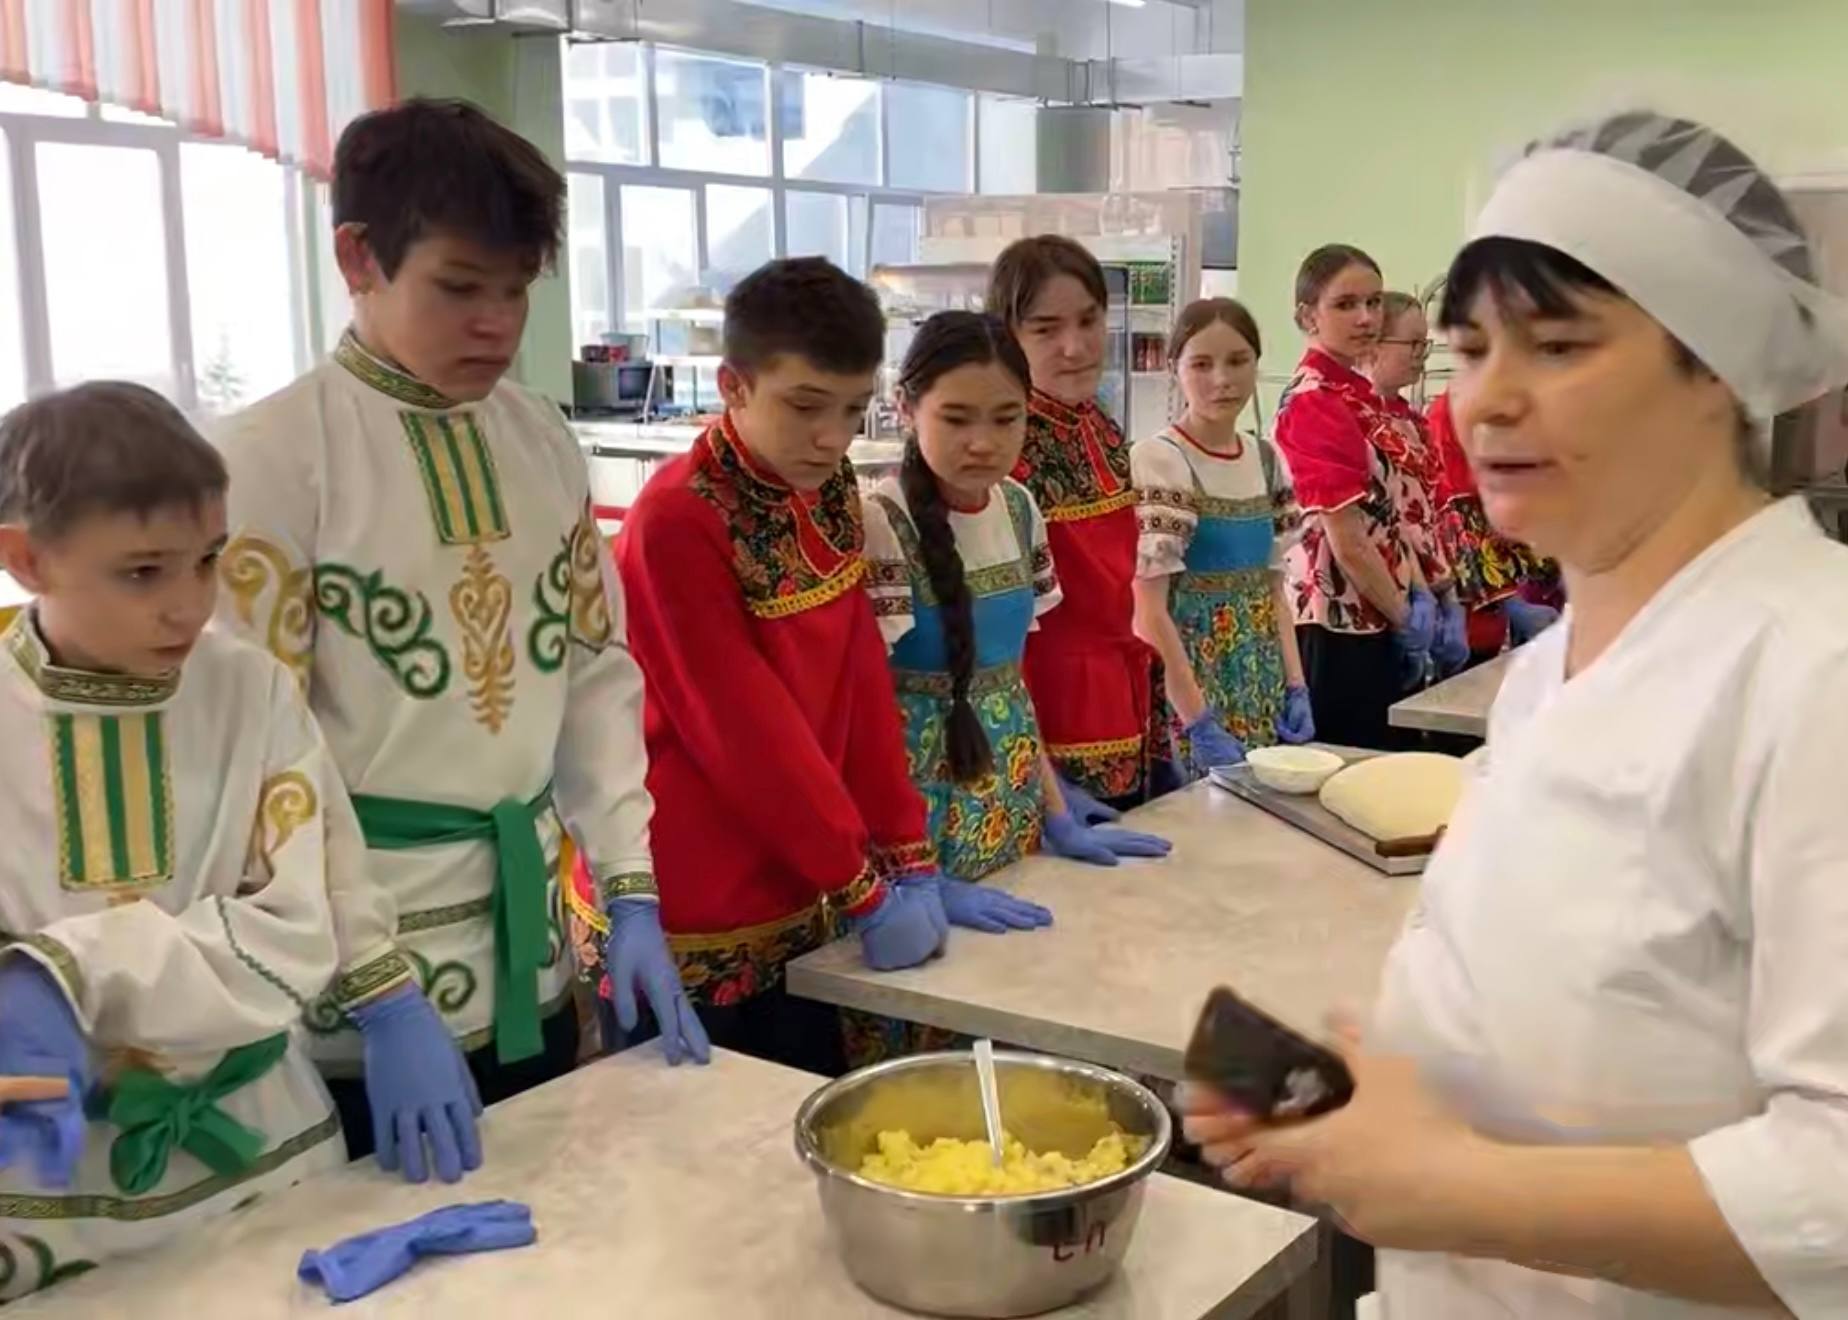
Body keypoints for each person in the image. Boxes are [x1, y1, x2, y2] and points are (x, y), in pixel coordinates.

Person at [1181, 112, 1848, 1317]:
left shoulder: (1815, 674)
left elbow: (1835, 1188)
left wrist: (1447, 1190)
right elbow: (1557, 1021)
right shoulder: (1555, 677)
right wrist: (1350, 1101)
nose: (1486, 401)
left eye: (1557, 345)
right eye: (1472, 348)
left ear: (1717, 368)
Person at [213, 99, 707, 1175]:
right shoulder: (267, 459)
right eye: (458, 287)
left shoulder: (538, 437)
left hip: (530, 951)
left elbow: (594, 679)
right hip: (349, 993)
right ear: (358, 256)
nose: (496, 323)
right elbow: (255, 763)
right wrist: (379, 996)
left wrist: (629, 887)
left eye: (515, 290)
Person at [0, 385, 380, 1300]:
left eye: (208, 560)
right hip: (47, 1183)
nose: (190, 605)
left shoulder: (251, 691)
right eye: (144, 573)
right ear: (25, 559)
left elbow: (298, 927)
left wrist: (64, 970)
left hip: (266, 1148)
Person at [616, 257, 950, 1077]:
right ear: (732, 385)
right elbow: (743, 731)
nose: (833, 437)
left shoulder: (830, 487)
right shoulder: (676, 522)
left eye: (850, 408)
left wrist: (906, 850)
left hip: (812, 874)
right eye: (804, 407)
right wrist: (862, 882)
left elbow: (861, 678)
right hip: (701, 887)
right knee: (698, 1159)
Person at [865, 311, 1173, 895]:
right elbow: (858, 718)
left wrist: (1054, 809)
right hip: (914, 833)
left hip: (1012, 801)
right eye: (955, 419)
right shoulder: (879, 523)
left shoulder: (1018, 507)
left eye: (1007, 418)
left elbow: (1014, 686)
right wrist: (905, 874)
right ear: (906, 409)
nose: (983, 442)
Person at [989, 236, 1170, 815]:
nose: (1075, 347)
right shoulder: (1003, 453)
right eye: (1045, 329)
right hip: (1047, 714)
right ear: (1007, 336)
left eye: (1089, 321)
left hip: (1126, 698)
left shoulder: (1102, 427)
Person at [1131, 297, 1315, 779]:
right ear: (1175, 369)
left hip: (1261, 677)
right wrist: (1197, 720)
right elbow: (1149, 612)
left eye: (1237, 361)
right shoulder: (1161, 461)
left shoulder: (1266, 457)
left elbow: (1275, 588)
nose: (1222, 379)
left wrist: (1296, 685)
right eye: (1202, 364)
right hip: (1191, 682)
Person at [1272, 244, 1434, 749]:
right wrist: (1406, 620)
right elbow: (1348, 542)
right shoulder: (1315, 400)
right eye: (1345, 305)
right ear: (1307, 315)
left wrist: (1423, 592)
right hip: (1337, 626)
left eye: (1373, 302)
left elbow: (1390, 515)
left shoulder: (1359, 394)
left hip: (1378, 611)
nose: (1366, 317)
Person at [1367, 292, 1469, 679]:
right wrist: (1415, 596)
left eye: (1424, 345)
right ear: (1375, 344)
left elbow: (1431, 514)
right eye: (1411, 344)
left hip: (1429, 586)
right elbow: (1385, 522)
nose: (1420, 355)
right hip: (1384, 595)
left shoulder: (1414, 422)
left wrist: (1449, 597)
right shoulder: (1363, 421)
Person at [1427, 388, 1561, 661]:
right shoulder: (1449, 414)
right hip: (1468, 598)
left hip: (1504, 590)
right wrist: (1512, 602)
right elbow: (1456, 509)